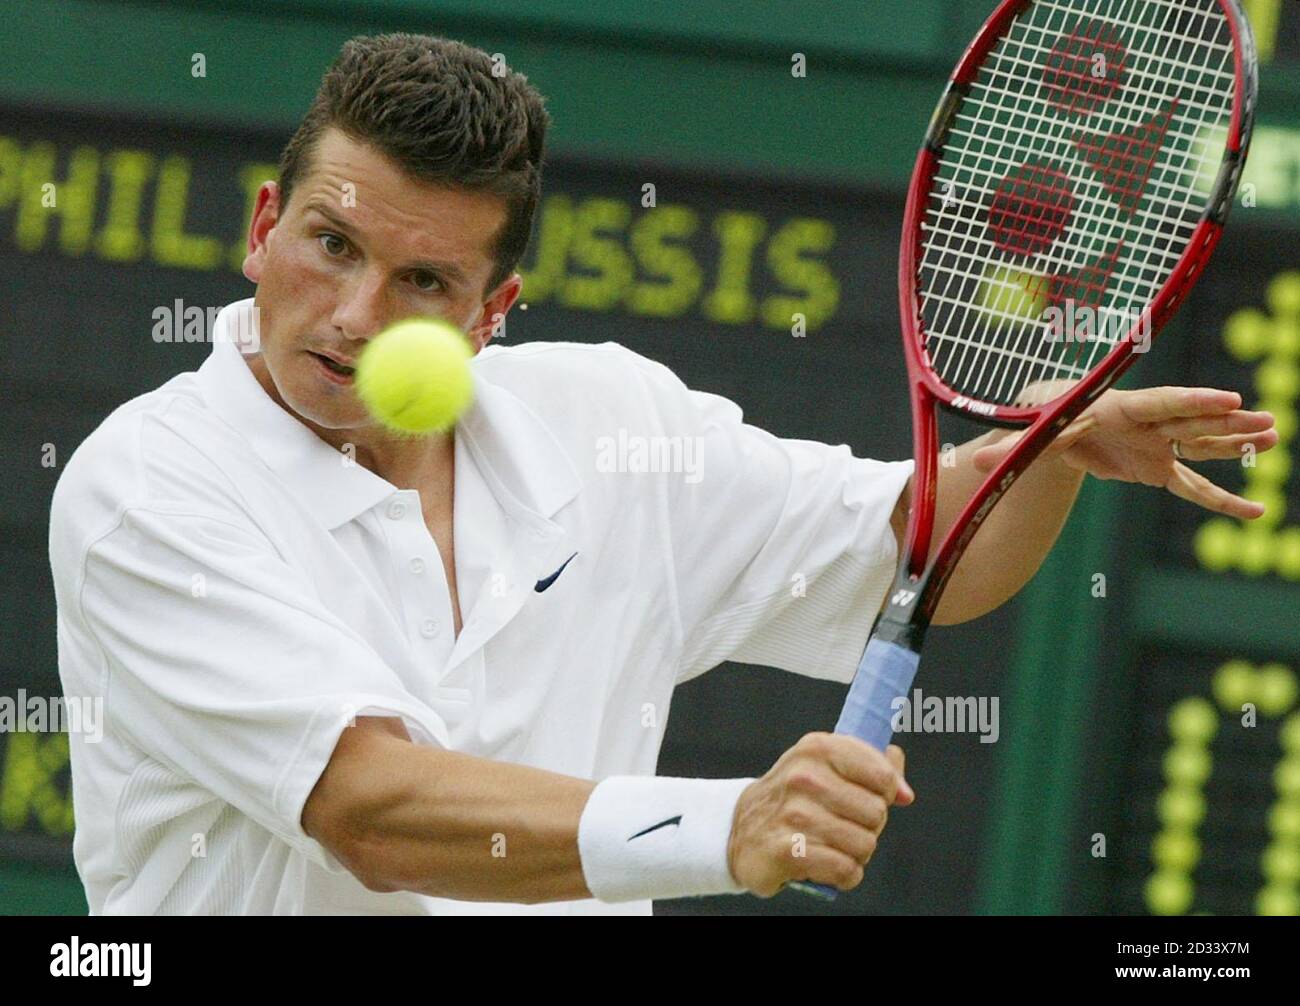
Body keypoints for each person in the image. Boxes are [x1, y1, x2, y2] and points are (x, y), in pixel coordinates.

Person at [49, 33, 1277, 915]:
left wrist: (1042, 448)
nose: (356, 314)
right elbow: (370, 811)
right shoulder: (148, 494)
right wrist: (723, 826)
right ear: (264, 229)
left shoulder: (607, 419)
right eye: (330, 245)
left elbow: (918, 548)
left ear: (491, 312)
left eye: (422, 281)